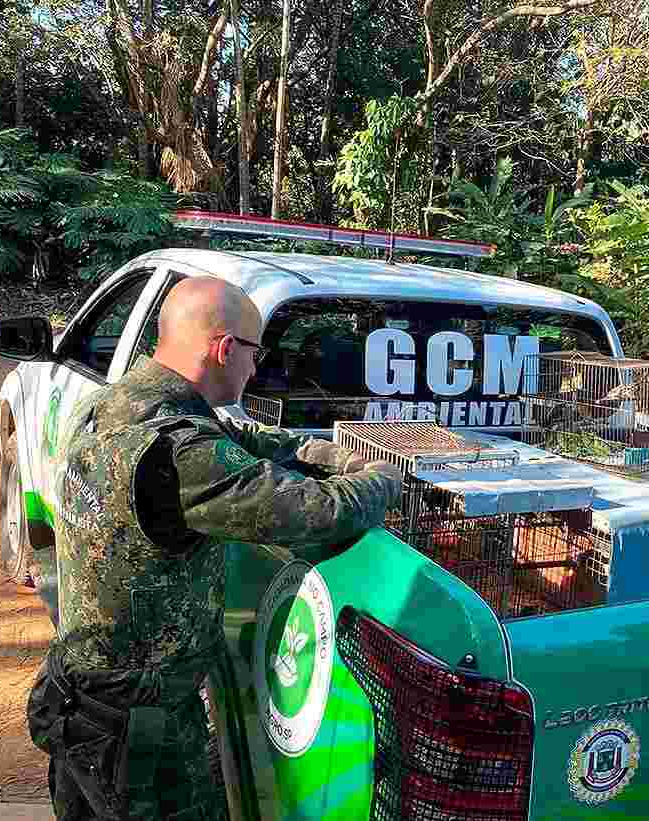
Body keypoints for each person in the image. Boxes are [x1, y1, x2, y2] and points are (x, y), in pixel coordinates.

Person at [27, 276, 404, 821]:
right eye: (255, 354)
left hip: (81, 690)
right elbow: (321, 512)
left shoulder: (120, 403)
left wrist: (321, 450)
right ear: (226, 349)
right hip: (135, 727)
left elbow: (240, 441)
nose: (255, 369)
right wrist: (382, 478)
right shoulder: (183, 453)